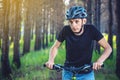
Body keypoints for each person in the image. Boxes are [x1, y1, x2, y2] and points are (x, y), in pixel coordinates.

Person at [45, 6, 112, 80]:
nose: (73, 25)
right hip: (68, 71)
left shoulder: (91, 30)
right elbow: (55, 47)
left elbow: (108, 48)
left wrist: (99, 61)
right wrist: (51, 60)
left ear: (84, 21)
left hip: (86, 72)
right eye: (71, 22)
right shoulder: (65, 30)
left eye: (77, 21)